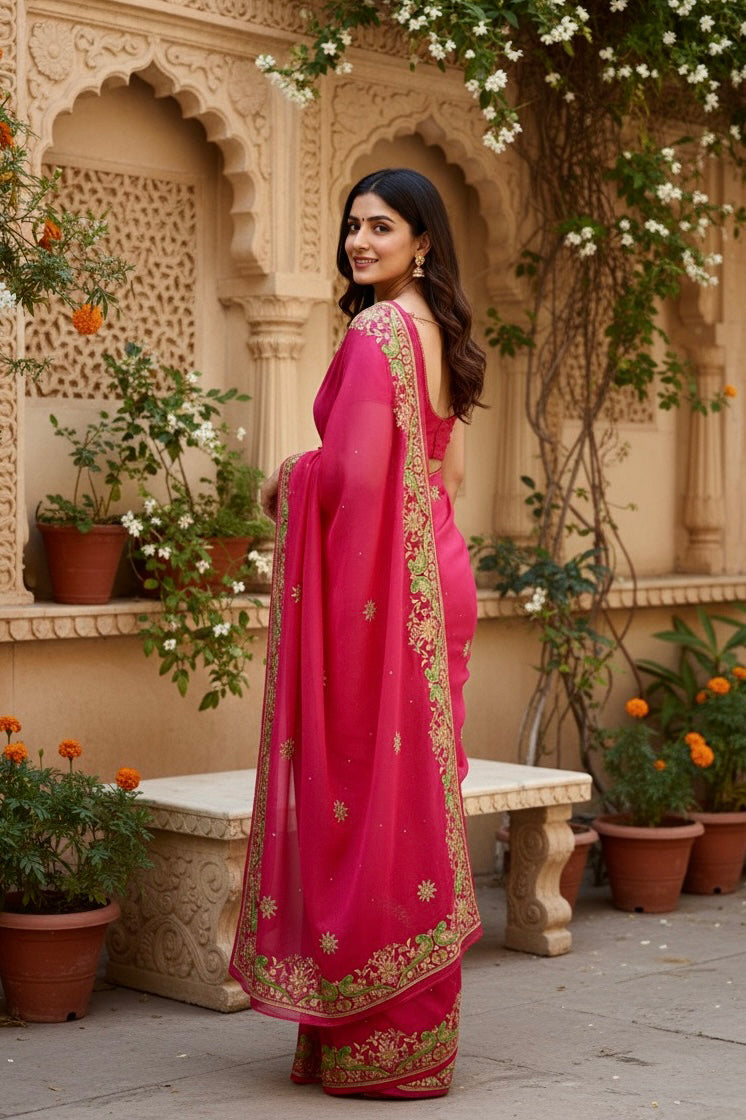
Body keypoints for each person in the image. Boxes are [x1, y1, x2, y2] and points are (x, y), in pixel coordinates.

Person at [230, 167, 486, 1099]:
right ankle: (398, 1036)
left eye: (382, 227)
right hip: (436, 573)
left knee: (377, 800)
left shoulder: (379, 329)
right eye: (352, 227)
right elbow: (434, 480)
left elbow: (357, 484)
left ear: (423, 241)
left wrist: (288, 480)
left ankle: (379, 1035)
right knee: (412, 798)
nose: (360, 241)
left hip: (390, 584)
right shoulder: (437, 329)